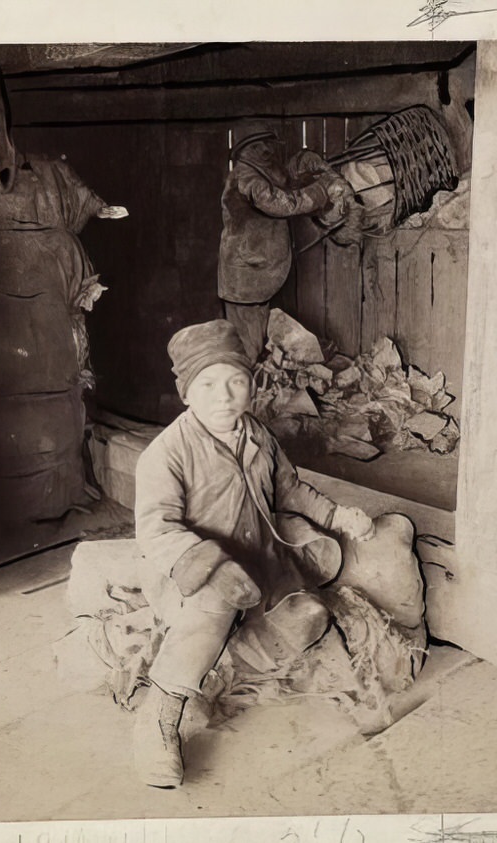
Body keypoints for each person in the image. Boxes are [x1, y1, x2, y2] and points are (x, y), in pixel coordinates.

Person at [131, 319, 375, 788]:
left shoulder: (258, 435)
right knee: (216, 606)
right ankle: (158, 714)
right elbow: (156, 529)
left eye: (236, 382)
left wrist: (339, 515)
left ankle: (221, 666)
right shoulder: (166, 454)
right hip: (195, 572)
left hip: (259, 557)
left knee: (309, 617)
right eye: (207, 385)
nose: (224, 396)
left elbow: (290, 491)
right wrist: (213, 567)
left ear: (251, 386)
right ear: (186, 393)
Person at [218, 131, 352, 362]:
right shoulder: (247, 178)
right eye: (262, 146)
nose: (269, 150)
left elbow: (284, 178)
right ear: (248, 150)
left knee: (259, 342)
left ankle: (257, 386)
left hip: (257, 275)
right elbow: (284, 204)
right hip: (245, 280)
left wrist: (305, 163)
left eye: (269, 144)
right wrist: (322, 188)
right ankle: (246, 390)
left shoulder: (260, 172)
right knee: (248, 348)